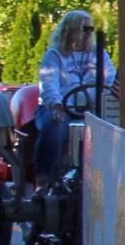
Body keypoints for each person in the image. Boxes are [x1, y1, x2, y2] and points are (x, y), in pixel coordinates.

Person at [36, 10, 116, 182]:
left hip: (92, 108)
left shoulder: (98, 54)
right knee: (53, 127)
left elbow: (109, 79)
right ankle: (43, 179)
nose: (89, 33)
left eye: (91, 29)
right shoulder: (55, 54)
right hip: (61, 107)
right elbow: (49, 83)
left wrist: (100, 100)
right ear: (71, 30)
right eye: (84, 29)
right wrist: (56, 105)